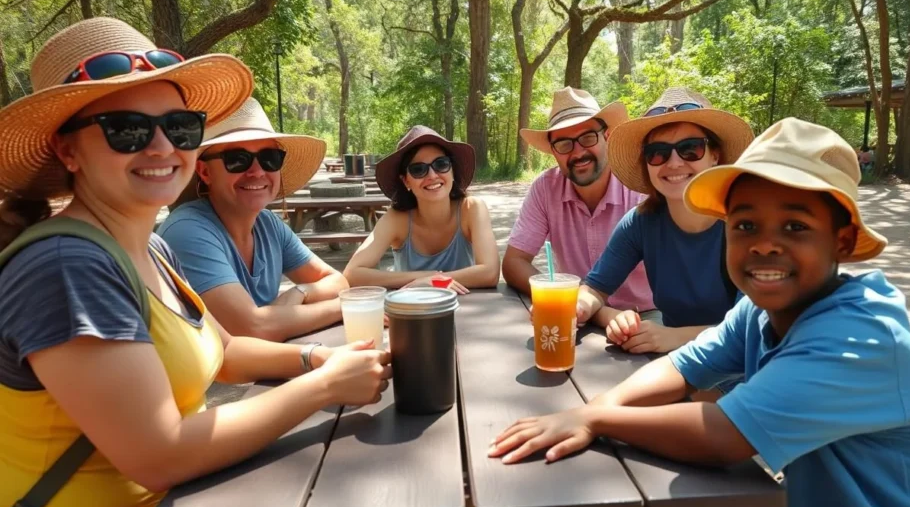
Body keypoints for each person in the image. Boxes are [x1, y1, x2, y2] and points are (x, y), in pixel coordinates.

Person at [0, 18, 391, 507]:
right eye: (127, 130)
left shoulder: (152, 247)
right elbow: (159, 455)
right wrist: (323, 387)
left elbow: (226, 353)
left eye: (181, 128)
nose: (162, 147)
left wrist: (321, 357)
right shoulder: (68, 265)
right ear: (68, 150)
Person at [488, 118, 910, 507]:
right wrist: (594, 408)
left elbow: (724, 434)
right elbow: (684, 364)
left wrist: (593, 419)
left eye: (795, 227)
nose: (764, 245)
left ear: (840, 240)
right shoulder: (757, 310)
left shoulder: (863, 333)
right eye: (745, 226)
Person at [576, 88, 754, 355]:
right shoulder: (640, 222)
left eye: (690, 149)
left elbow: (754, 327)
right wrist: (577, 307)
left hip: (745, 368)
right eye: (657, 153)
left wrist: (675, 337)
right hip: (677, 365)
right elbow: (596, 289)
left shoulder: (749, 226)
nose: (673, 162)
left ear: (714, 155)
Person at [158, 97, 348, 341]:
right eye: (237, 159)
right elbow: (250, 328)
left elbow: (338, 282)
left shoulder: (268, 225)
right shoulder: (187, 231)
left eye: (270, 158)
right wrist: (344, 307)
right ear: (205, 172)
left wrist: (300, 292)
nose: (257, 171)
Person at [503, 87, 654, 314]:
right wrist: (563, 297)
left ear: (608, 136)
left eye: (587, 137)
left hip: (645, 316)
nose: (577, 152)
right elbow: (514, 262)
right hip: (576, 312)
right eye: (564, 144)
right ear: (553, 152)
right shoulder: (546, 189)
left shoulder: (640, 187)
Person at [343, 125, 499, 291]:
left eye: (441, 164)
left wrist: (436, 280)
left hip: (467, 309)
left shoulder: (472, 208)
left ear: (452, 171)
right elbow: (352, 274)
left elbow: (490, 272)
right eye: (418, 169)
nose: (432, 175)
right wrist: (425, 279)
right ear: (406, 181)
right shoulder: (397, 218)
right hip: (412, 312)